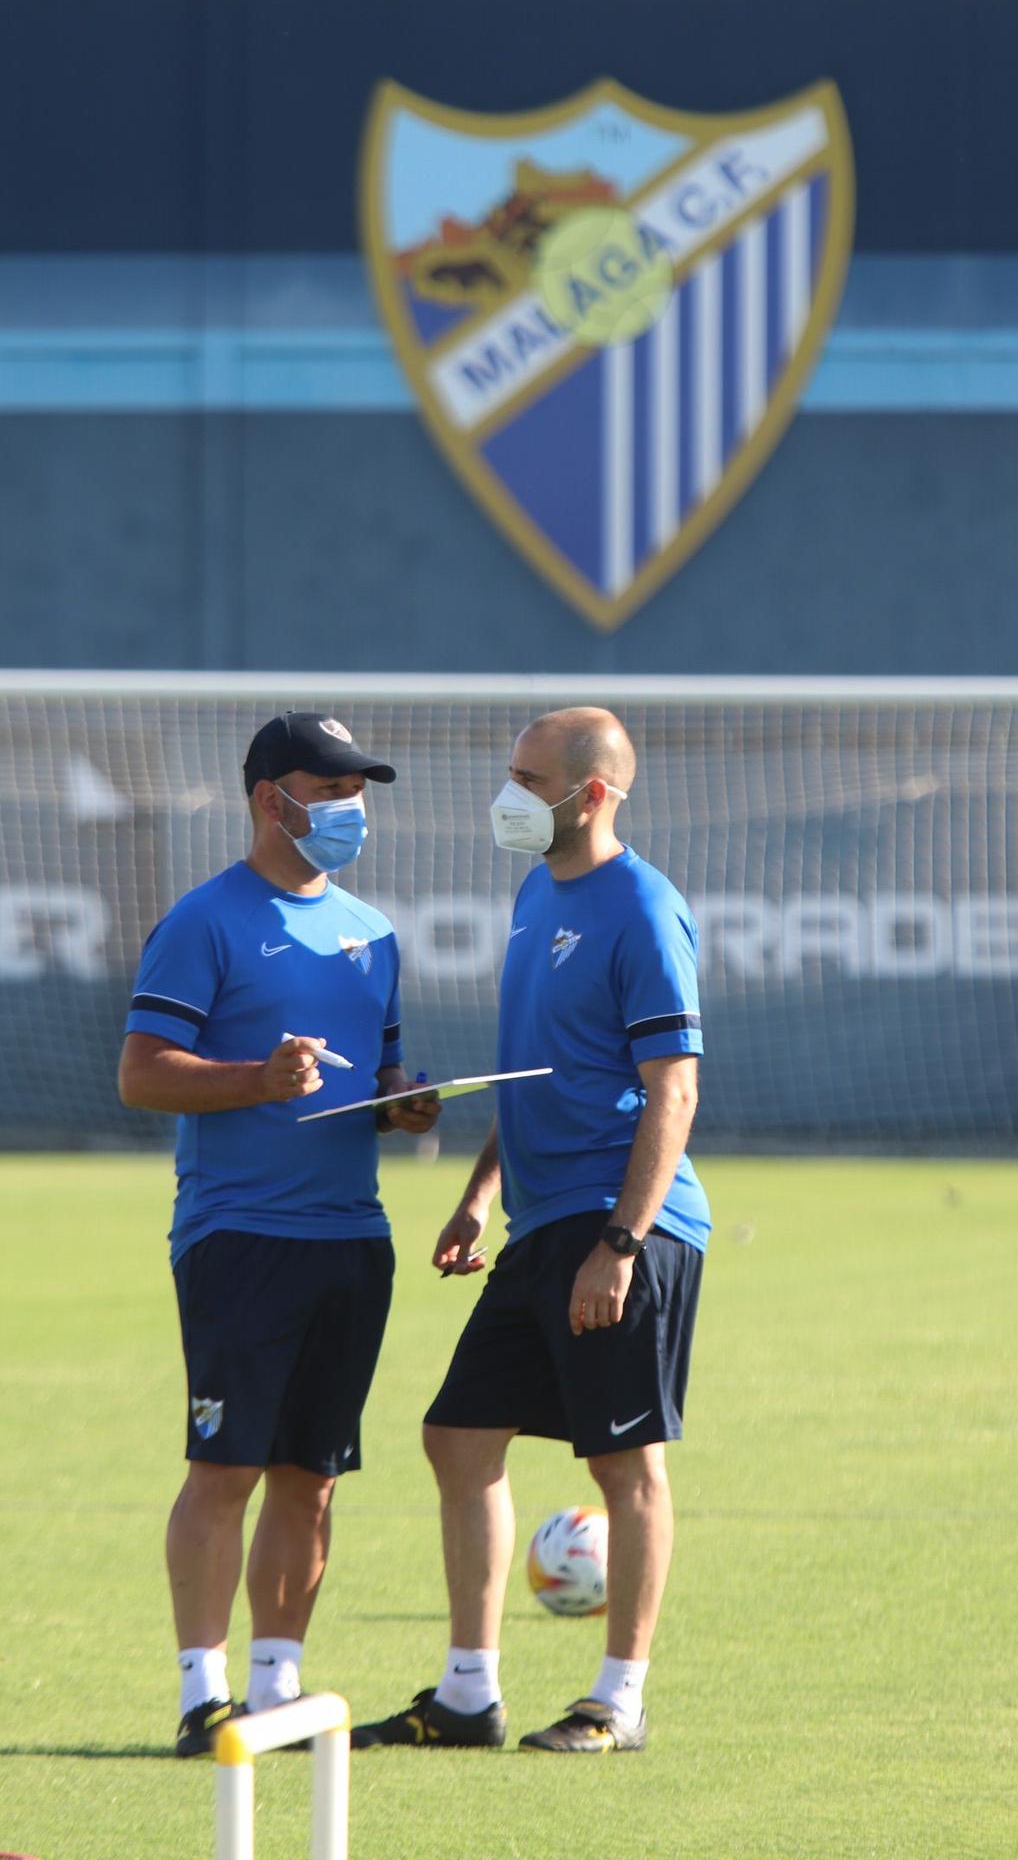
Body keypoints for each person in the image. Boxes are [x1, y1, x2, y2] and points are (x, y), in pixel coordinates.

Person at [352, 706, 707, 1756]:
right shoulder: (532, 893)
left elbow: (672, 1089)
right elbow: (532, 1075)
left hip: (617, 1225)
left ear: (593, 792)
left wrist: (623, 1241)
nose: (508, 793)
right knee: (456, 1435)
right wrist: (475, 1193)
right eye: (509, 771)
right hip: (538, 1222)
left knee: (623, 1462)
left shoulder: (643, 908)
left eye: (528, 775)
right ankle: (468, 1694)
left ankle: (620, 1698)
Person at [118, 710, 440, 1759]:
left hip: (351, 1236)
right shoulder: (206, 920)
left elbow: (378, 1071)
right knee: (227, 1466)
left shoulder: (373, 932)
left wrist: (406, 1099)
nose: (351, 809)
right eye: (331, 788)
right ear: (271, 798)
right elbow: (141, 1072)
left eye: (360, 791)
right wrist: (256, 1077)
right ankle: (199, 1691)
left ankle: (276, 1686)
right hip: (240, 1234)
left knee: (314, 1470)